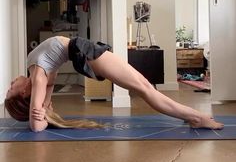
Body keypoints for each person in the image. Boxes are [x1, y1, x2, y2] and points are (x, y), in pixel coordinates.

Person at [5, 36, 224, 132]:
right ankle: (197, 117)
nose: (10, 83)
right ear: (23, 93)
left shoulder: (37, 73)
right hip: (86, 52)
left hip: (83, 50)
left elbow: (47, 93)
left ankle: (193, 116)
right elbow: (36, 126)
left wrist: (43, 108)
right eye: (10, 90)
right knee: (144, 87)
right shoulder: (39, 78)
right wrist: (39, 116)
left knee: (143, 86)